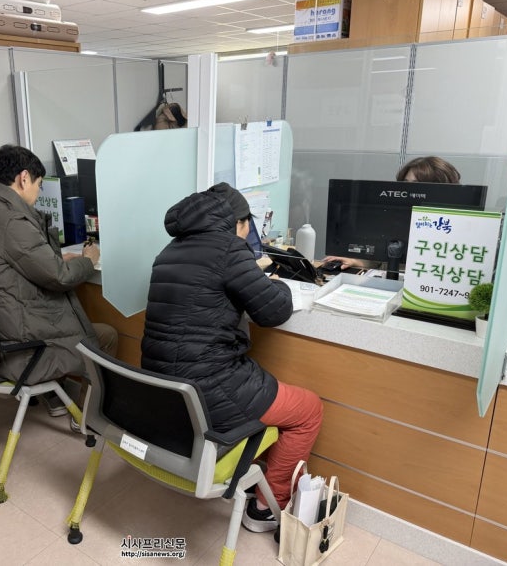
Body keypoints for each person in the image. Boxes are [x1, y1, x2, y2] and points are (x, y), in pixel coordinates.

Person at [141, 182, 323, 534]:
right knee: (308, 410)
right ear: (238, 223)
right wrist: (273, 282)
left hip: (166, 391)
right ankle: (266, 506)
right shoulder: (229, 249)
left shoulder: (169, 250)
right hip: (212, 389)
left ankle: (258, 482)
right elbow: (275, 311)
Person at [0, 144, 118, 420]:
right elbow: (60, 277)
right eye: (39, 185)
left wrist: (54, 258)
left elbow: (8, 265)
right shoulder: (11, 220)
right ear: (24, 178)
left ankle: (55, 397)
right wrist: (88, 260)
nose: (38, 194)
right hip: (20, 351)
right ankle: (90, 419)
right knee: (106, 336)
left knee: (56, 322)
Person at [322, 156, 461, 270]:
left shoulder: (452, 228)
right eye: (405, 183)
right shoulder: (393, 218)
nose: (408, 191)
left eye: (418, 185)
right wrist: (359, 262)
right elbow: (380, 257)